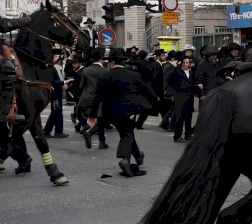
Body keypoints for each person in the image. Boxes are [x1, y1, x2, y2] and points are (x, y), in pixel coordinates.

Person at [87, 47, 160, 177]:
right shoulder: (134, 75)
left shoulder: (104, 77)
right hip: (130, 111)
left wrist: (93, 116)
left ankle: (138, 156)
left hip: (111, 113)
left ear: (112, 62)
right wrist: (156, 101)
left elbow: (97, 98)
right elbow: (147, 91)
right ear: (122, 62)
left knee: (126, 133)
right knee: (127, 134)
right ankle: (125, 159)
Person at [76, 48, 108, 149]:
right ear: (102, 58)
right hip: (101, 98)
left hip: (88, 97)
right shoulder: (105, 70)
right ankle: (91, 133)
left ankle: (102, 142)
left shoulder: (85, 70)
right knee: (102, 119)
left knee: (96, 119)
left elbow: (81, 86)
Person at [167, 56, 197, 142]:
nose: (185, 64)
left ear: (189, 63)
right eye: (183, 63)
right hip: (179, 98)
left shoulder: (192, 72)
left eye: (187, 63)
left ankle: (188, 134)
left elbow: (193, 82)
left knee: (188, 117)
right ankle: (177, 136)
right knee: (179, 117)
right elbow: (169, 81)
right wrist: (176, 91)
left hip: (189, 97)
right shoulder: (177, 71)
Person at [42, 49, 69, 138]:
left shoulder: (60, 67)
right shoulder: (51, 68)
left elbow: (61, 79)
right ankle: (58, 132)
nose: (58, 58)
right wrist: (63, 83)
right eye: (56, 57)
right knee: (57, 112)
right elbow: (52, 81)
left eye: (59, 56)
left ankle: (46, 131)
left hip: (59, 91)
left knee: (55, 112)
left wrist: (64, 84)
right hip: (54, 92)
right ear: (52, 58)